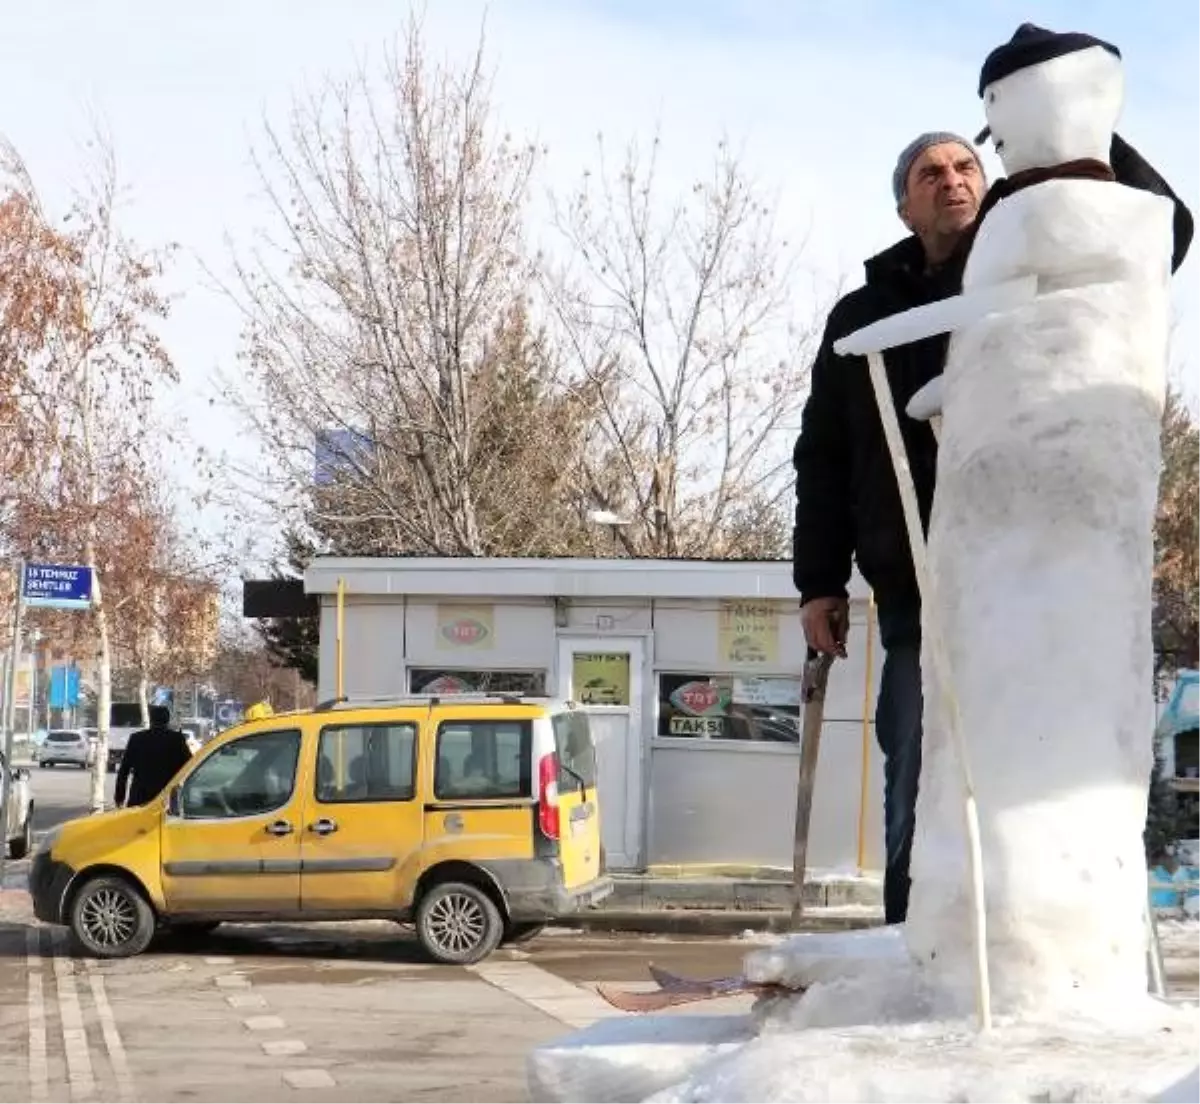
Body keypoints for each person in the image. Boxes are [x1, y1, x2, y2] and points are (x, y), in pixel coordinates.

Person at [792, 133, 986, 925]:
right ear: (904, 204)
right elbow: (825, 458)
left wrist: (1077, 122)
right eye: (930, 173)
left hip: (1019, 581)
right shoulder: (863, 317)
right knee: (913, 767)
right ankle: (914, 944)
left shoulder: (1026, 277)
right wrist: (819, 583)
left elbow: (1160, 235)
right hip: (914, 589)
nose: (952, 181)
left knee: (1017, 769)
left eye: (967, 166)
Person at [115, 705, 194, 808]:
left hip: (139, 798)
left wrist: (119, 797)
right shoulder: (177, 739)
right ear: (167, 720)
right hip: (167, 799)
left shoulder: (136, 739)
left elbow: (123, 771)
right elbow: (190, 767)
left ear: (151, 719)